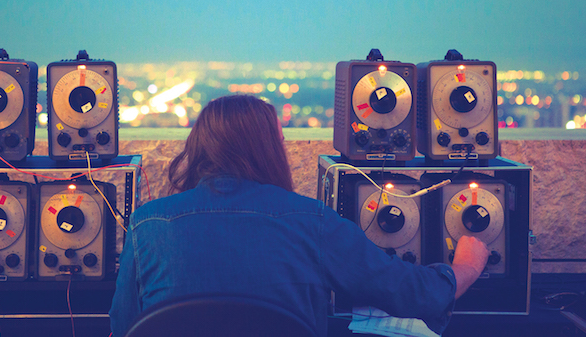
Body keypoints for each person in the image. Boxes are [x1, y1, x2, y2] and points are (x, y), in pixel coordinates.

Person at [109, 94, 489, 336]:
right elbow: (411, 293)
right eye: (280, 140)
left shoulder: (148, 225)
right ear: (267, 149)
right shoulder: (312, 222)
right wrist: (467, 267)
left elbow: (125, 327)